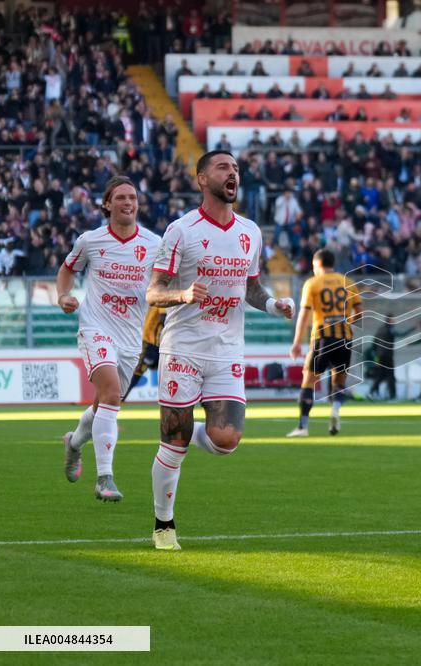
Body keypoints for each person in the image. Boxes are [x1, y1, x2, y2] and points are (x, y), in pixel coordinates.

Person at [145, 151, 294, 551]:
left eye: (237, 169)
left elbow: (251, 287)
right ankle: (163, 526)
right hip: (183, 348)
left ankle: (179, 427)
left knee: (226, 438)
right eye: (223, 168)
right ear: (201, 179)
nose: (233, 174)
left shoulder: (250, 231)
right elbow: (153, 291)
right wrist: (183, 293)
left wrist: (272, 305)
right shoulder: (181, 230)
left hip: (227, 348)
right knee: (172, 448)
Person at [57, 176, 161, 502]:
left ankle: (74, 443)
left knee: (105, 402)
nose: (128, 202)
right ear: (107, 203)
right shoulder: (90, 240)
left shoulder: (155, 244)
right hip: (95, 327)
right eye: (120, 198)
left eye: (132, 197)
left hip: (131, 338)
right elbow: (67, 269)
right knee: (112, 395)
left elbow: (167, 282)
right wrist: (63, 296)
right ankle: (105, 479)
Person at [287, 249, 362, 437]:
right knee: (339, 380)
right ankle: (335, 410)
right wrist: (347, 324)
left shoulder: (312, 283)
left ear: (318, 265)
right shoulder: (349, 283)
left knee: (309, 379)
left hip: (322, 337)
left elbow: (304, 314)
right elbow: (359, 313)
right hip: (345, 337)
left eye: (313, 266)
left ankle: (303, 426)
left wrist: (296, 342)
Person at [123, 306, 166, 400]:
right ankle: (120, 397)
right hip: (149, 342)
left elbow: (163, 317)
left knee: (137, 371)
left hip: (154, 343)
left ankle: (120, 398)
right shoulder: (152, 300)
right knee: (137, 371)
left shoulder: (160, 300)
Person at [368, 314, 397, 400]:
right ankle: (392, 396)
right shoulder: (390, 329)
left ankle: (371, 392)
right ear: (389, 320)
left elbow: (373, 344)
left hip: (380, 356)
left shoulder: (379, 330)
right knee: (391, 376)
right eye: (393, 320)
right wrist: (413, 328)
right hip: (387, 356)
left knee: (380, 376)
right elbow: (401, 334)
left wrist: (376, 358)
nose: (395, 321)